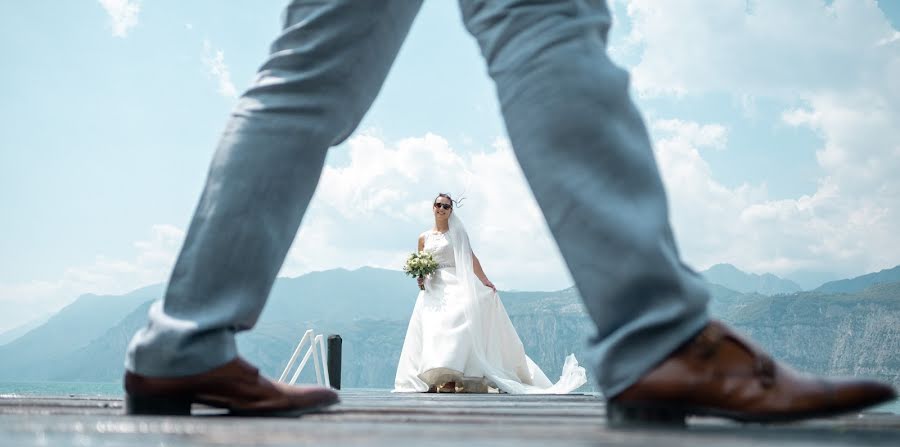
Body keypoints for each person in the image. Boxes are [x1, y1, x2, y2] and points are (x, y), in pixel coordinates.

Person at [123, 0, 895, 423]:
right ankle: (660, 334)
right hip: (453, 285)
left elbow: (465, 258)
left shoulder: (447, 228)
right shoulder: (439, 229)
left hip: (449, 286)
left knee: (310, 67)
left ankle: (184, 339)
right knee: (545, 19)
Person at [393, 193, 587, 394]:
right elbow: (423, 263)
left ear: (451, 211)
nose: (441, 208)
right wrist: (421, 276)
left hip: (454, 284)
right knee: (433, 331)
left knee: (452, 326)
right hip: (433, 290)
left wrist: (485, 281)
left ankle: (450, 377)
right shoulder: (423, 237)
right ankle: (433, 379)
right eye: (438, 205)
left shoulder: (457, 233)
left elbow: (470, 258)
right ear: (432, 207)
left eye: (446, 206)